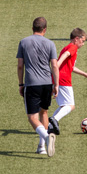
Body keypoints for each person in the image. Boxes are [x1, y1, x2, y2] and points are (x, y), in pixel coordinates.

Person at [39, 28, 87, 154]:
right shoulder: (72, 47)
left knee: (63, 105)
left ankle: (50, 123)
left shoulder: (67, 47)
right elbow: (62, 59)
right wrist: (56, 66)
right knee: (71, 105)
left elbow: (71, 66)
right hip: (64, 79)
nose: (83, 44)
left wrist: (85, 74)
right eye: (83, 41)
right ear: (77, 39)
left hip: (58, 78)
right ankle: (54, 120)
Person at [17, 17, 59, 157]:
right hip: (47, 83)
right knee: (44, 113)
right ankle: (41, 147)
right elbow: (54, 65)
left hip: (32, 84)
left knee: (32, 117)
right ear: (45, 29)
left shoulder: (24, 42)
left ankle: (47, 138)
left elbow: (20, 65)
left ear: (32, 28)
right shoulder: (50, 44)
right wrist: (56, 84)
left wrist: (21, 84)